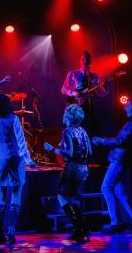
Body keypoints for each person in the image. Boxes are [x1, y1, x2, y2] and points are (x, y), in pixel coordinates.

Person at [92, 98, 132, 234]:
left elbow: (121, 140)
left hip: (120, 159)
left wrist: (102, 141)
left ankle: (116, 222)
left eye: (127, 106)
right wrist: (104, 140)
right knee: (122, 192)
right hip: (124, 160)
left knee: (106, 187)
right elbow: (120, 139)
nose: (125, 108)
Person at [0, 94, 35, 245]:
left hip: (0, 158)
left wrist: (0, 155)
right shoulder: (14, 119)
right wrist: (28, 160)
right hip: (15, 158)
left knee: (1, 196)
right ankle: (11, 230)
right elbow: (21, 141)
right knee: (16, 195)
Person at [44, 104, 92, 243]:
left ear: (69, 116)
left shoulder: (67, 131)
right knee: (72, 197)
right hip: (83, 168)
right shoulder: (83, 131)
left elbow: (69, 153)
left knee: (62, 196)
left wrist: (53, 149)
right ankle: (82, 228)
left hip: (72, 168)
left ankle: (79, 227)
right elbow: (90, 152)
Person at [61, 51, 107, 134]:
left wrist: (104, 87)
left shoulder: (94, 77)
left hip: (87, 105)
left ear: (90, 62)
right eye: (83, 59)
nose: (85, 61)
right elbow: (64, 89)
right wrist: (75, 93)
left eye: (87, 59)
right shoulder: (73, 74)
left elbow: (100, 94)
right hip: (75, 105)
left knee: (92, 128)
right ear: (80, 60)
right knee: (74, 128)